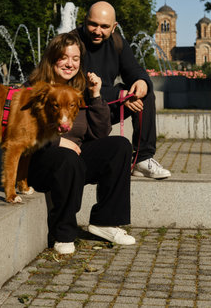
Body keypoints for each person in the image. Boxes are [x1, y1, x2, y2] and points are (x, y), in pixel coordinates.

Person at [27, 32, 135, 255]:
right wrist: (58, 143)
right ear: (52, 58)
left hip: (75, 161)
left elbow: (100, 133)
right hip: (41, 162)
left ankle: (105, 222)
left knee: (120, 146)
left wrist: (96, 96)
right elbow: (23, 132)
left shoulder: (80, 89)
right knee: (67, 157)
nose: (70, 64)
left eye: (75, 58)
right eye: (64, 57)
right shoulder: (34, 89)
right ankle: (63, 234)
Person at [74, 1, 171, 179]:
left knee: (145, 93)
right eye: (93, 24)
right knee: (127, 93)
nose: (97, 31)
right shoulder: (71, 42)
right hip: (77, 112)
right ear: (84, 20)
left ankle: (142, 158)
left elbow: (133, 69)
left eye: (104, 26)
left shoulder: (117, 42)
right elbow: (73, 87)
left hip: (102, 109)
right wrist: (119, 94)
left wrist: (141, 82)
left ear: (114, 27)